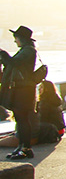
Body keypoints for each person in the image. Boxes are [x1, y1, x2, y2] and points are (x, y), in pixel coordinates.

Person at [1, 26, 39, 160]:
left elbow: (13, 63)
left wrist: (3, 54)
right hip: (22, 91)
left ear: (21, 38)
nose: (15, 41)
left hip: (24, 91)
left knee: (23, 120)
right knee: (20, 119)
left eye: (16, 38)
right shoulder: (26, 50)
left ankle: (25, 148)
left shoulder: (28, 51)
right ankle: (22, 146)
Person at [0, 79, 64, 149]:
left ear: (47, 89)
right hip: (58, 131)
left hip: (50, 131)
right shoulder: (55, 100)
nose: (39, 89)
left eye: (41, 87)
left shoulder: (44, 103)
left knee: (22, 131)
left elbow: (40, 120)